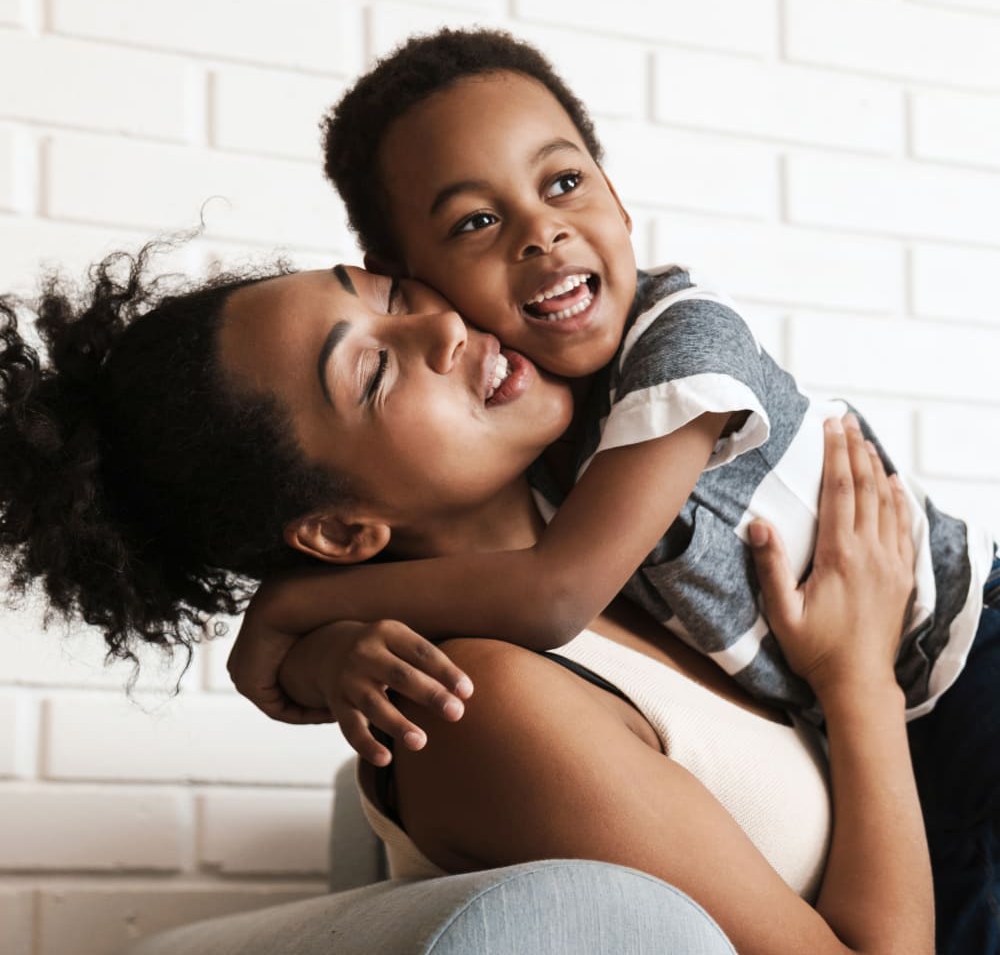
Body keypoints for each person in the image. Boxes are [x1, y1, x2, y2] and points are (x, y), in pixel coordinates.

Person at [226, 28, 997, 953]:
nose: (541, 231)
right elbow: (532, 596)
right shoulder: (524, 578)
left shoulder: (680, 350)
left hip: (968, 655)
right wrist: (320, 647)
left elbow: (553, 591)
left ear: (618, 202)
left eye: (562, 183)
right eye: (475, 222)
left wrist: (296, 613)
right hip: (894, 694)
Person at [0, 250, 931, 954]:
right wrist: (859, 681)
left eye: (392, 295)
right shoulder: (473, 703)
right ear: (338, 534)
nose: (441, 330)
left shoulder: (606, 526)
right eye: (371, 372)